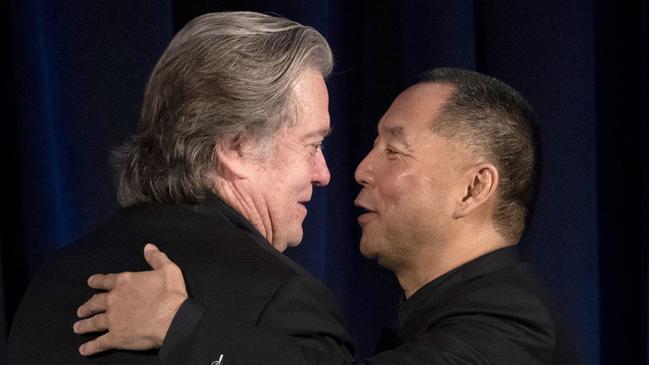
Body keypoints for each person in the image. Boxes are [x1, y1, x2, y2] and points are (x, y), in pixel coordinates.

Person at [73, 68, 582, 364]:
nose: (358, 170)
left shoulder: (516, 324)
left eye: (393, 151)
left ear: (475, 188)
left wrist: (179, 325)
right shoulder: (452, 311)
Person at [7, 11, 354, 364]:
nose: (323, 173)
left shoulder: (54, 282)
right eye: (312, 145)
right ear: (236, 147)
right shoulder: (285, 300)